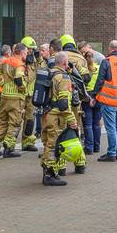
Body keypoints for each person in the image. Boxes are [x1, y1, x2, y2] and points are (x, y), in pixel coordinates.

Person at [40, 51, 82, 185]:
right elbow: (64, 104)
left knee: (48, 144)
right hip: (57, 117)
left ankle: (50, 172)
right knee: (53, 145)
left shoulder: (50, 73)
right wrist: (72, 120)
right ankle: (49, 175)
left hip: (47, 115)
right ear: (64, 63)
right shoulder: (63, 77)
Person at [0, 42, 28, 157]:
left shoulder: (5, 61)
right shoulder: (20, 64)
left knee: (2, 123)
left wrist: (3, 84)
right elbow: (18, 79)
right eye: (25, 52)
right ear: (21, 52)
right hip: (16, 98)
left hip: (4, 96)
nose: (26, 54)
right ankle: (9, 148)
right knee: (14, 123)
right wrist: (23, 89)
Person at [80, 44, 104, 155]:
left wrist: (88, 98)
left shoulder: (84, 71)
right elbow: (102, 83)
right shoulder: (99, 69)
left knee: (88, 124)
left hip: (87, 98)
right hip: (98, 97)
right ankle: (97, 146)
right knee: (96, 124)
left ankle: (89, 147)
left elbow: (82, 86)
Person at [18, 36, 42, 151]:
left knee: (30, 120)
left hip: (31, 95)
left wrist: (39, 58)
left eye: (32, 49)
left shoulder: (34, 61)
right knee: (16, 120)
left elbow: (43, 69)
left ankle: (27, 142)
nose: (30, 51)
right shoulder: (18, 61)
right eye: (29, 49)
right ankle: (10, 145)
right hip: (20, 95)